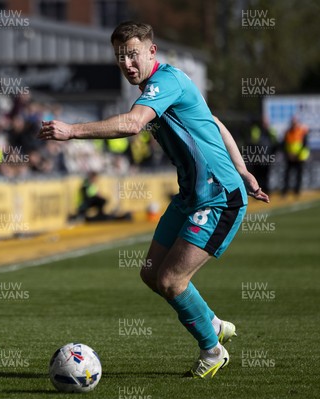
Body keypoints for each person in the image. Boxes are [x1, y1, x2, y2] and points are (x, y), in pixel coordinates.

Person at [38, 21, 270, 379]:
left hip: (218, 198)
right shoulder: (159, 88)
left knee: (171, 281)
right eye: (120, 57)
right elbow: (215, 121)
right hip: (191, 196)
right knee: (150, 273)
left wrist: (72, 131)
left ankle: (212, 350)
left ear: (151, 51)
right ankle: (211, 321)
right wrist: (243, 167)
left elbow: (132, 124)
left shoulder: (167, 82)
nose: (127, 63)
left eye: (133, 54)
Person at [281, 116, 309, 196]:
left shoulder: (302, 131)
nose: (293, 124)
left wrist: (297, 154)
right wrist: (288, 154)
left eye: (295, 122)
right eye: (292, 122)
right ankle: (285, 191)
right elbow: (284, 144)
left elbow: (305, 144)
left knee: (299, 175)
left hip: (299, 157)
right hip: (290, 157)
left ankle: (297, 191)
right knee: (287, 175)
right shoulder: (288, 132)